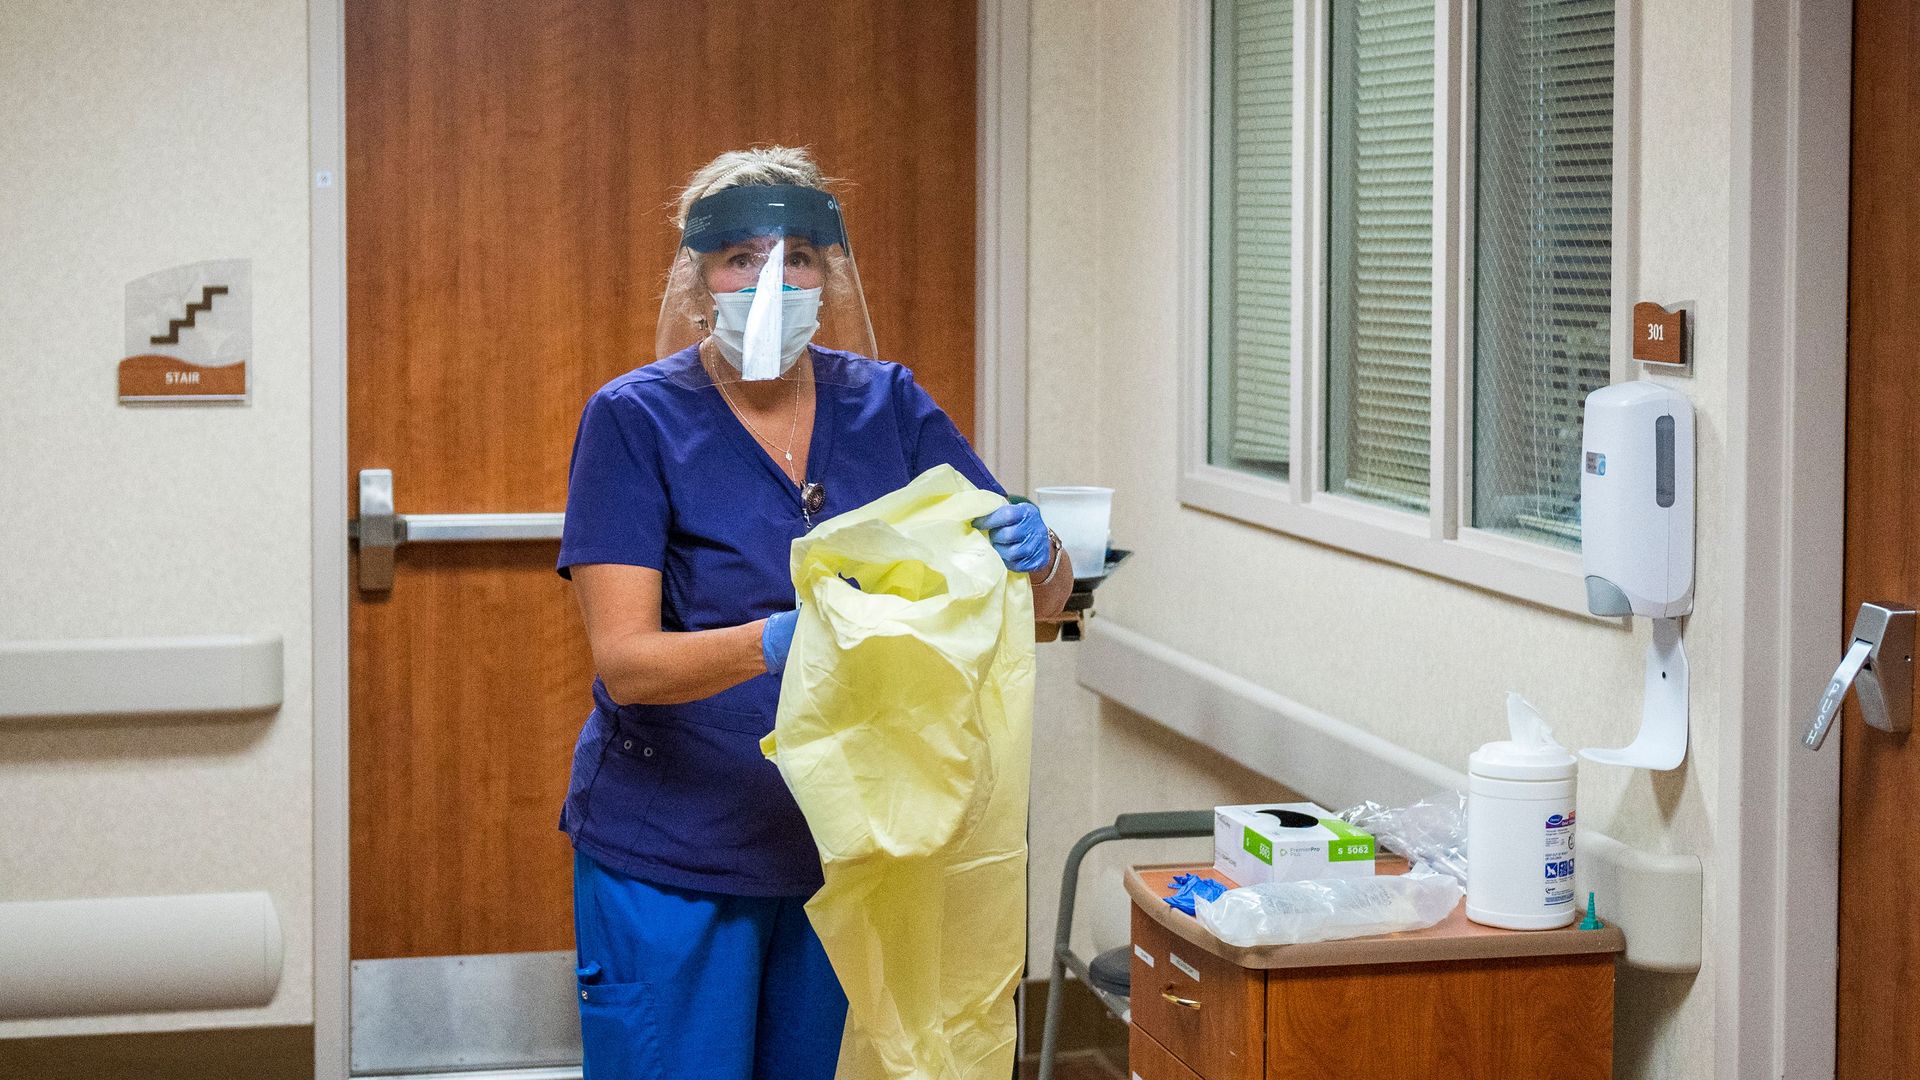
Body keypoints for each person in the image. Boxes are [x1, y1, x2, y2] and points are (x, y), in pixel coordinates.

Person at [555, 145, 1075, 1079]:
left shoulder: (888, 405)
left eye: (797, 258)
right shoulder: (636, 420)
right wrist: (780, 645)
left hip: (851, 851)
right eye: (741, 258)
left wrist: (1044, 554)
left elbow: (1036, 606)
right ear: (698, 276)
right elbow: (626, 661)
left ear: (831, 275)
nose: (771, 281)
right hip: (680, 855)